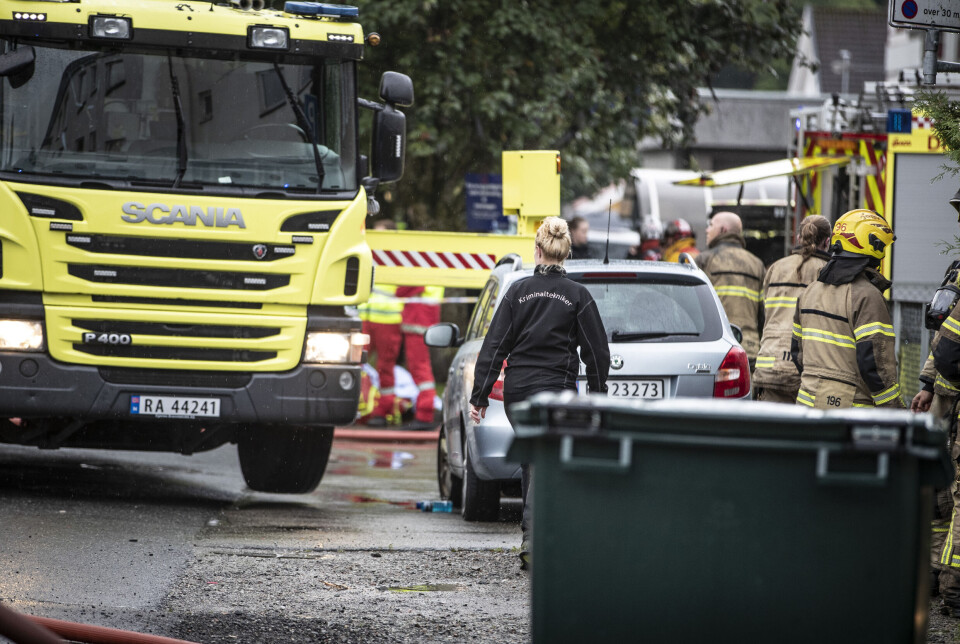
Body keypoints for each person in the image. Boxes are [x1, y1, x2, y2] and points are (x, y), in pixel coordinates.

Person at [468, 216, 610, 570]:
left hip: (518, 392)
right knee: (546, 459)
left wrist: (480, 397)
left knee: (534, 457)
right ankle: (539, 538)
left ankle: (538, 539)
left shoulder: (517, 292)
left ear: (537, 250)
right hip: (557, 391)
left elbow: (494, 346)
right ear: (566, 253)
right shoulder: (578, 295)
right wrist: (597, 394)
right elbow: (597, 352)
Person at [791, 209, 904, 409]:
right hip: (849, 413)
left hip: (806, 406)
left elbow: (797, 352)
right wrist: (895, 409)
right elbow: (876, 365)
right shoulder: (867, 296)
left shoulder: (810, 291)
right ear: (873, 245)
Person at [753, 215, 832, 403]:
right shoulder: (829, 271)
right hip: (808, 368)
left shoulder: (776, 268)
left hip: (769, 364)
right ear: (827, 242)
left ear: (798, 238)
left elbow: (766, 313)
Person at [697, 211, 765, 366]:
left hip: (715, 347)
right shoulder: (757, 264)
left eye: (711, 225)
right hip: (749, 348)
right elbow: (764, 315)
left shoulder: (704, 260)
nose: (707, 230)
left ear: (723, 230)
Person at [396, 284, 444, 429]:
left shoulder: (423, 270)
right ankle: (424, 412)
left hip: (419, 318)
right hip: (420, 317)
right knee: (418, 367)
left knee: (420, 368)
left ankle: (425, 414)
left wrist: (397, 289)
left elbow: (404, 289)